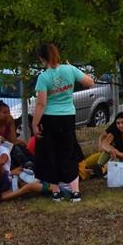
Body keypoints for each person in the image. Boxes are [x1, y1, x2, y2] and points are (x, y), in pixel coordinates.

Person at [32, 43, 95, 202]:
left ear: (42, 58)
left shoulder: (43, 77)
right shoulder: (70, 69)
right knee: (68, 151)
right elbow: (90, 83)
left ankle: (56, 191)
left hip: (50, 118)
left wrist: (34, 123)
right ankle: (75, 191)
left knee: (50, 152)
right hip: (68, 116)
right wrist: (79, 73)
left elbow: (41, 103)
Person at [79, 112, 123, 179]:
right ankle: (98, 167)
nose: (120, 125)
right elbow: (105, 144)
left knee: (116, 159)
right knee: (107, 151)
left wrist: (117, 153)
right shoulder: (115, 131)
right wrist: (111, 150)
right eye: (118, 123)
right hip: (112, 156)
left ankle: (96, 171)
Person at [0, 98, 33, 170]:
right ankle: (26, 164)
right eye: (4, 112)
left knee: (22, 147)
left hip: (8, 144)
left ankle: (32, 165)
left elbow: (13, 139)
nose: (8, 114)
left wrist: (21, 142)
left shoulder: (9, 119)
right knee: (14, 148)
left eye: (8, 112)